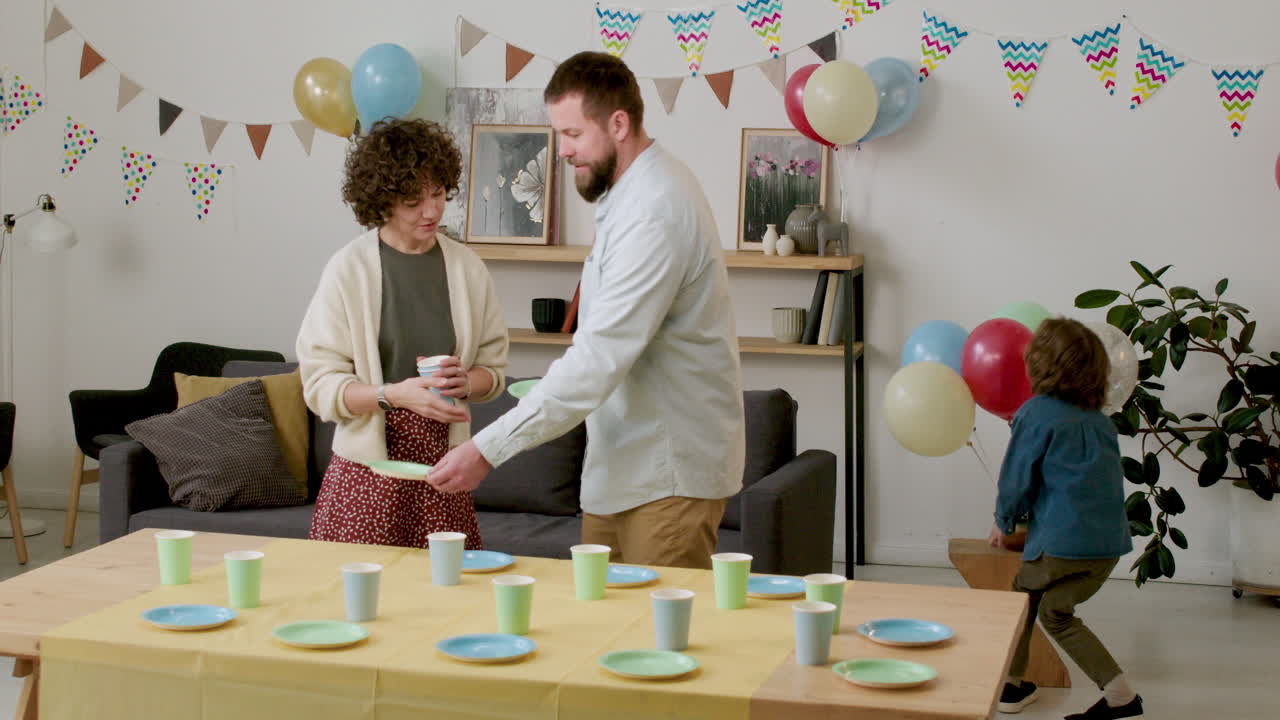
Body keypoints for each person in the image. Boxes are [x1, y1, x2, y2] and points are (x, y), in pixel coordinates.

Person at [428, 51, 745, 570]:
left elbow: (597, 359)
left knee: (655, 639)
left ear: (618, 123)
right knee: (601, 631)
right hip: (622, 471)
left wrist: (486, 449)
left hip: (667, 474)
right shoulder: (626, 196)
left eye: (572, 134)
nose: (562, 151)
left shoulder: (655, 212)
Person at [296, 118, 508, 550]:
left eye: (437, 194)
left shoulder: (468, 269)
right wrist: (394, 394)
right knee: (360, 606)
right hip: (365, 473)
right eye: (413, 200)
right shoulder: (348, 269)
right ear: (383, 200)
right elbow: (319, 387)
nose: (431, 211)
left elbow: (494, 371)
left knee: (447, 604)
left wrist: (468, 381)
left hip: (443, 470)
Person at [989, 318, 1142, 719]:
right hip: (1106, 548)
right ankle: (1121, 694)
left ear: (1039, 366)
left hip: (1061, 545)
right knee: (1056, 612)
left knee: (1022, 599)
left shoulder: (1036, 413)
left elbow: (1016, 480)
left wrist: (1004, 524)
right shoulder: (1100, 421)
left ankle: (1011, 685)